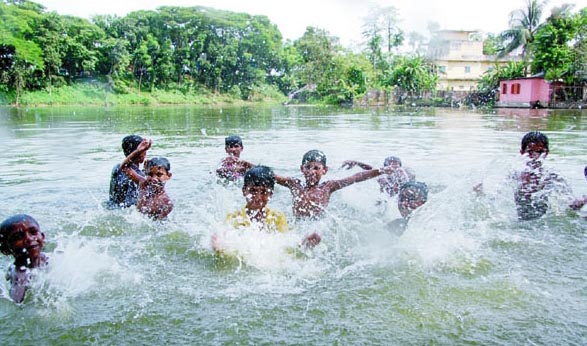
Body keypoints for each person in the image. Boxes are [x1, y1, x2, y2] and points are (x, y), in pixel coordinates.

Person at [213, 165, 320, 251]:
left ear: (271, 194)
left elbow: (286, 247)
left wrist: (303, 244)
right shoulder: (234, 217)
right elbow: (226, 243)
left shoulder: (277, 217)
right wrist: (219, 246)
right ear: (244, 191)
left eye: (264, 192)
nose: (258, 197)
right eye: (253, 191)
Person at [275, 150, 395, 219]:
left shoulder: (328, 187)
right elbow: (271, 176)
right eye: (308, 167)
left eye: (316, 168)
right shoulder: (295, 185)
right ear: (302, 169)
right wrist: (255, 168)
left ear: (324, 170)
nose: (312, 171)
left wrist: (380, 170)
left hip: (319, 224)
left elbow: (356, 177)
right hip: (299, 223)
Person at [513, 131, 572, 220]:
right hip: (520, 223)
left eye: (540, 152)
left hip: (543, 224)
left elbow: (569, 203)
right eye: (530, 152)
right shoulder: (515, 175)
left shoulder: (552, 177)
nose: (535, 156)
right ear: (522, 152)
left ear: (547, 153)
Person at [121, 138, 174, 220]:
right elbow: (124, 167)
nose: (154, 178)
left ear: (168, 176)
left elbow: (157, 226)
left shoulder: (166, 203)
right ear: (146, 172)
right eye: (150, 174)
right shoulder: (143, 184)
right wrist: (138, 151)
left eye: (159, 175)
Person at [0, 214, 49, 303]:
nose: (29, 238)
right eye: (18, 237)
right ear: (5, 250)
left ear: (42, 236)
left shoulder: (52, 258)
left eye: (33, 232)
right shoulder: (19, 274)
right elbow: (16, 304)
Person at [342, 156, 415, 198]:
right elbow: (372, 171)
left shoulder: (405, 175)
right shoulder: (382, 178)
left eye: (396, 166)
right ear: (385, 168)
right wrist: (357, 163)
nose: (393, 169)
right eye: (391, 166)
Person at [109, 135, 146, 208]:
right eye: (144, 150)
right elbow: (133, 202)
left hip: (111, 207)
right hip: (128, 211)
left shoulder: (117, 168)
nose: (145, 153)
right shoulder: (139, 174)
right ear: (139, 153)